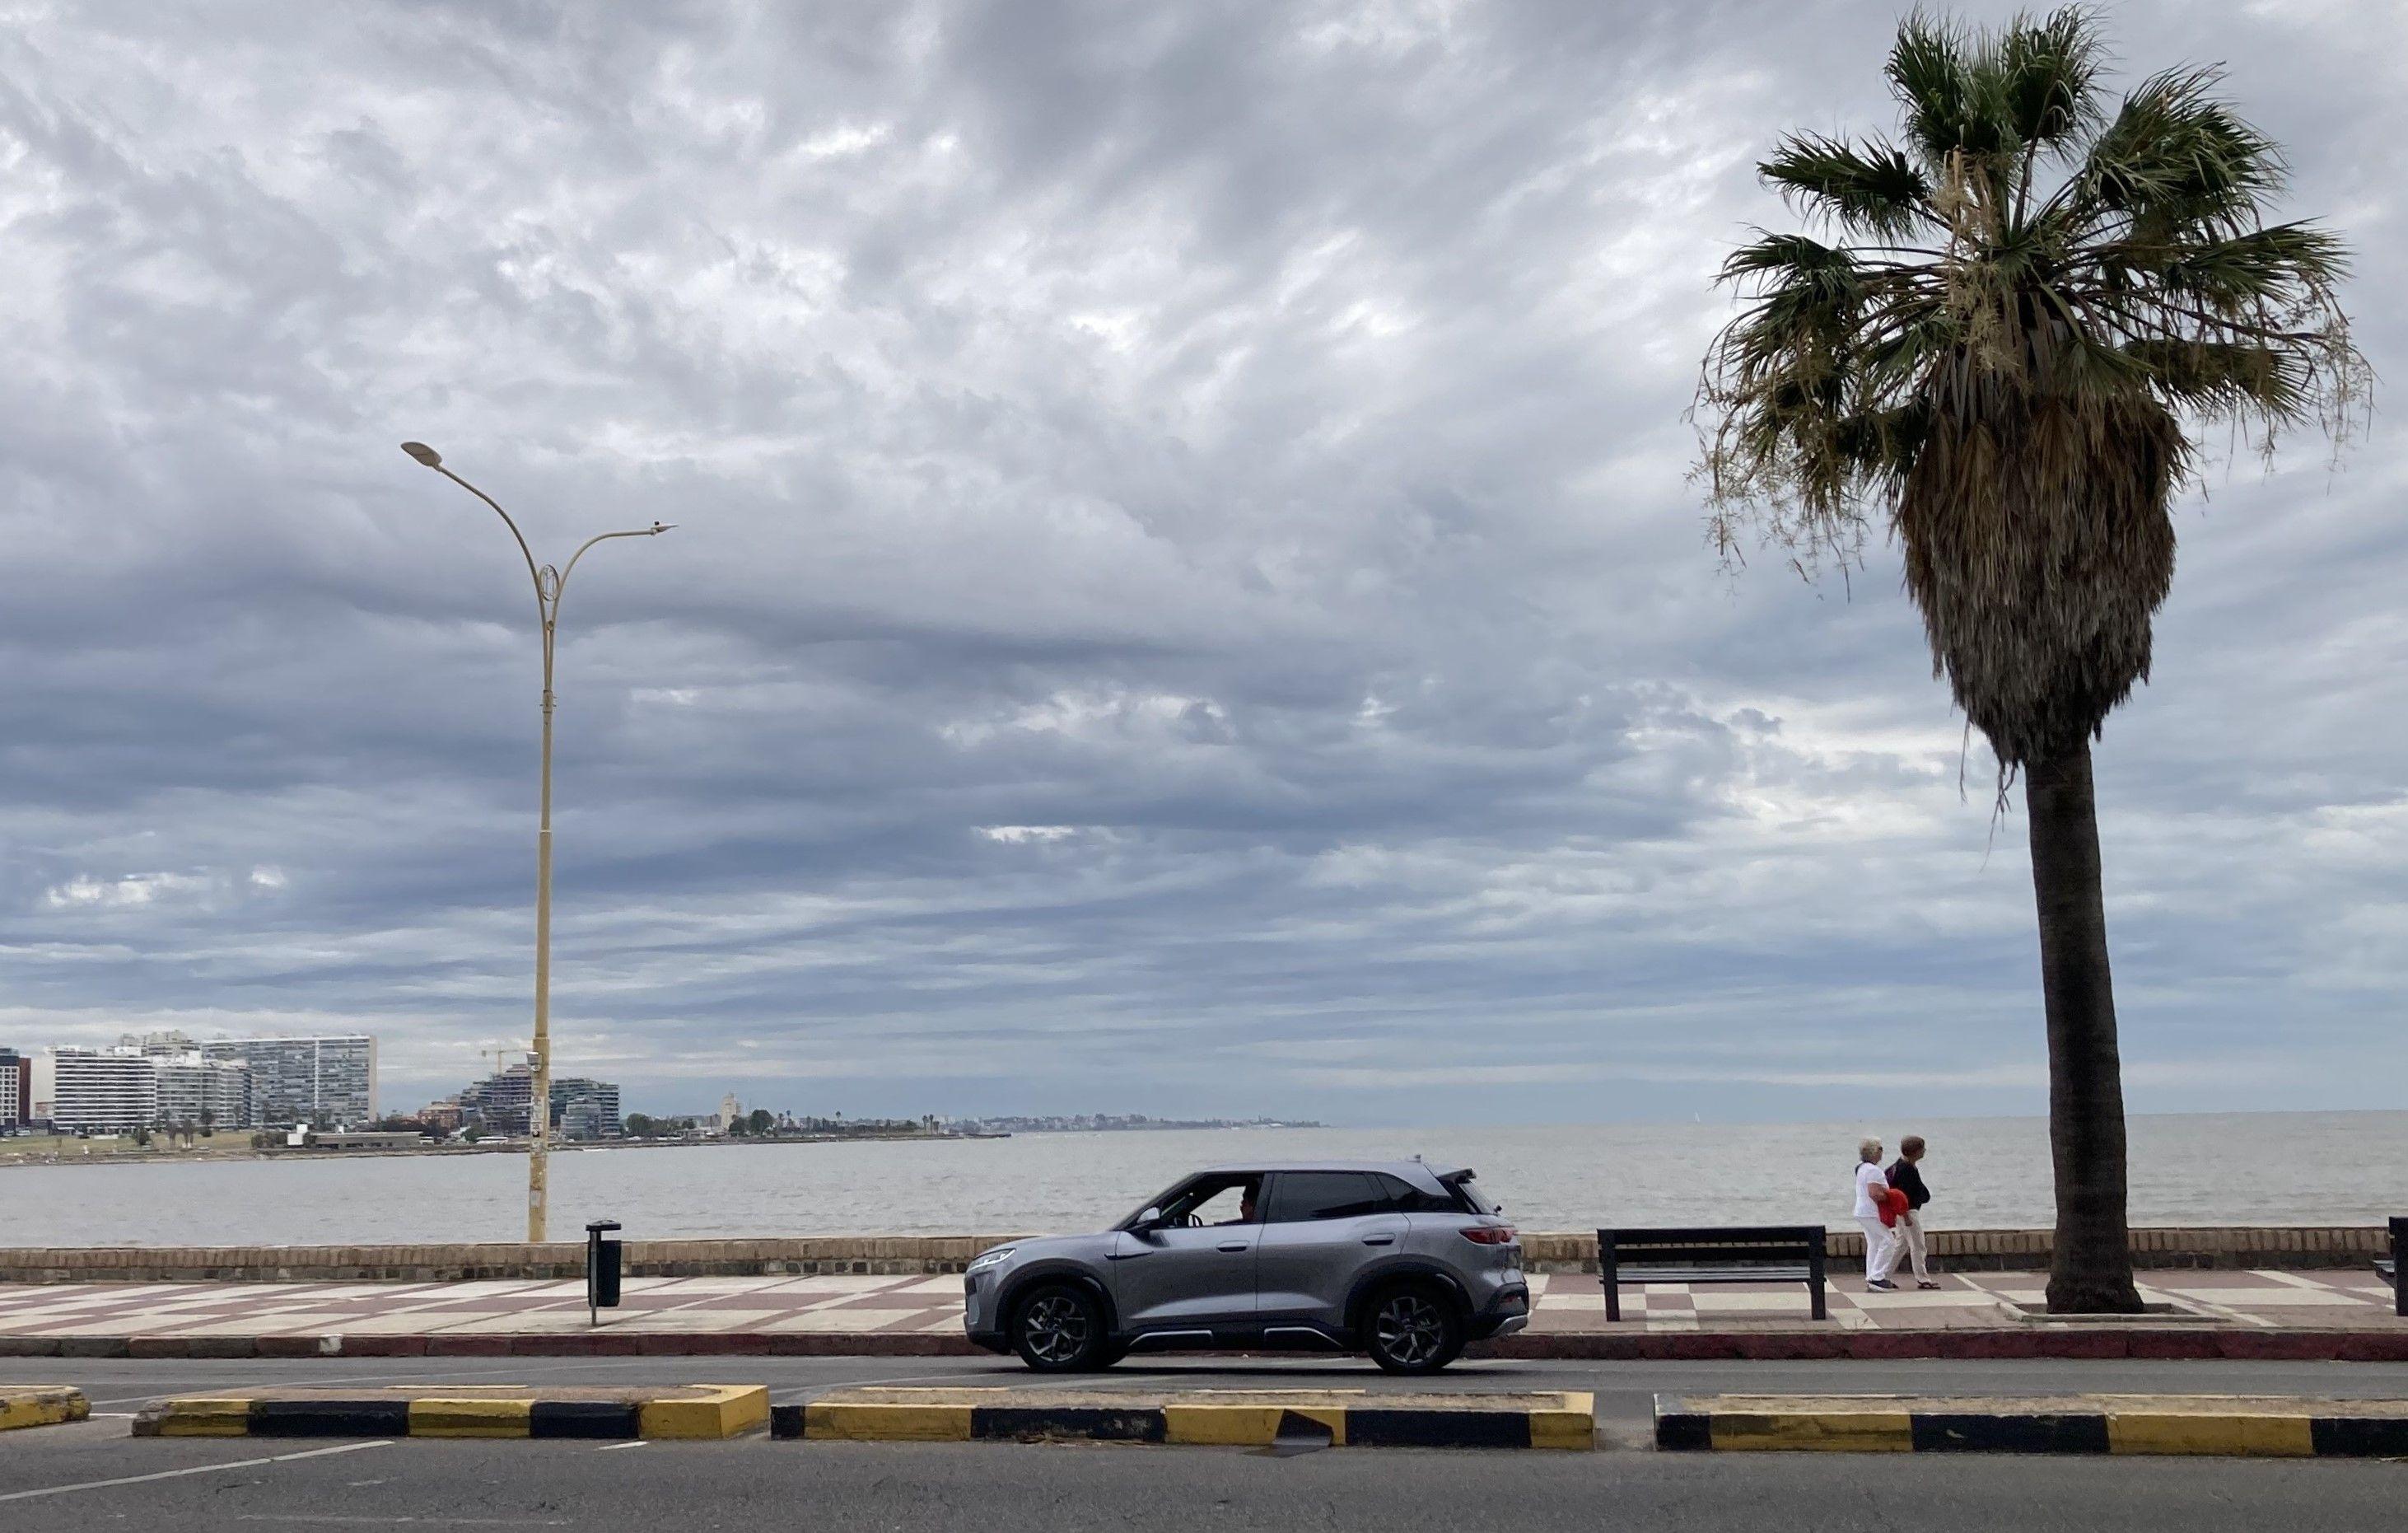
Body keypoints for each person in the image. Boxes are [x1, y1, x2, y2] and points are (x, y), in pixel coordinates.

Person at [1883, 1135, 1939, 1289]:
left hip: (1903, 1213)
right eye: (1922, 1149)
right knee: (1918, 1244)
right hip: (1908, 1212)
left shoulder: (1901, 1166)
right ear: (1915, 1152)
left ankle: (1884, 1275)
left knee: (1901, 1245)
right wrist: (1906, 1216)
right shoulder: (1906, 1170)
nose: (1924, 1151)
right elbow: (1903, 1196)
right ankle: (1922, 1278)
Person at [1852, 1137, 1897, 1290]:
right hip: (1871, 1212)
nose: (1882, 1152)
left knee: (1874, 1243)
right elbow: (1874, 1193)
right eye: (1880, 1149)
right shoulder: (1874, 1171)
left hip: (1862, 1211)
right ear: (1875, 1152)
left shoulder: (1862, 1168)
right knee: (1889, 1241)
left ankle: (1872, 1275)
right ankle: (1877, 1276)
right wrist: (1891, 1197)